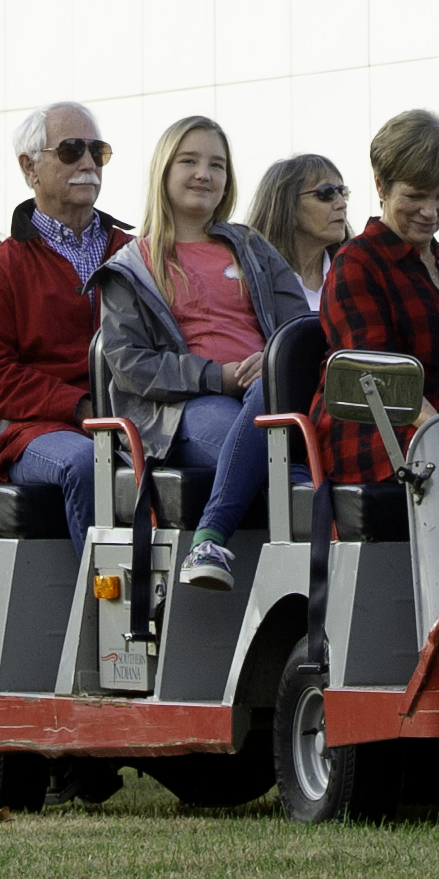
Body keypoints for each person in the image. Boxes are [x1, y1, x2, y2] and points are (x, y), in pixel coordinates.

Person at [92, 116, 311, 588]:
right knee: (263, 435)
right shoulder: (131, 266)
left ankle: (212, 537)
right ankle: (223, 531)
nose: (204, 174)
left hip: (267, 393)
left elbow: (300, 328)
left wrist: (269, 360)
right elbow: (129, 364)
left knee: (265, 402)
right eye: (189, 161)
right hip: (184, 408)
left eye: (217, 164)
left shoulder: (251, 246)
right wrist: (219, 376)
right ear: (164, 171)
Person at [0, 101, 134, 533]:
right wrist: (76, 406)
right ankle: (104, 600)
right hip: (34, 430)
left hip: (130, 420)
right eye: (72, 149)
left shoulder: (134, 253)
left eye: (98, 151)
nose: (89, 162)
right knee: (86, 464)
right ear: (29, 167)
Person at [312, 110, 439, 485]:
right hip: (380, 435)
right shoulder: (356, 263)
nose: (431, 212)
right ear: (381, 187)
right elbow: (376, 377)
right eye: (416, 196)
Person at [246, 154, 354, 309]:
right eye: (327, 192)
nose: (342, 204)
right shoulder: (251, 281)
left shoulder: (356, 274)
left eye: (342, 192)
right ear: (287, 208)